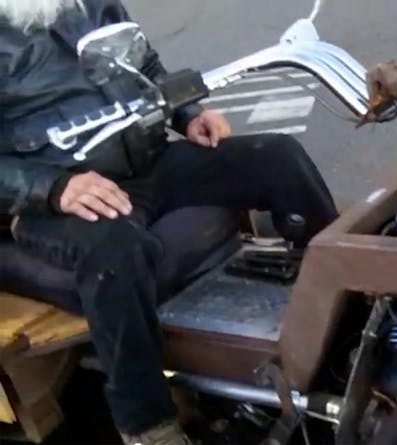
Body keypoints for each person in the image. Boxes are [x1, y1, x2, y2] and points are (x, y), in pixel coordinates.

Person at [0, 1, 338, 444]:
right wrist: (53, 187)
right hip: (57, 197)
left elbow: (143, 65)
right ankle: (148, 427)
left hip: (147, 160)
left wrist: (188, 113)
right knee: (115, 250)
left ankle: (346, 307)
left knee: (276, 157)